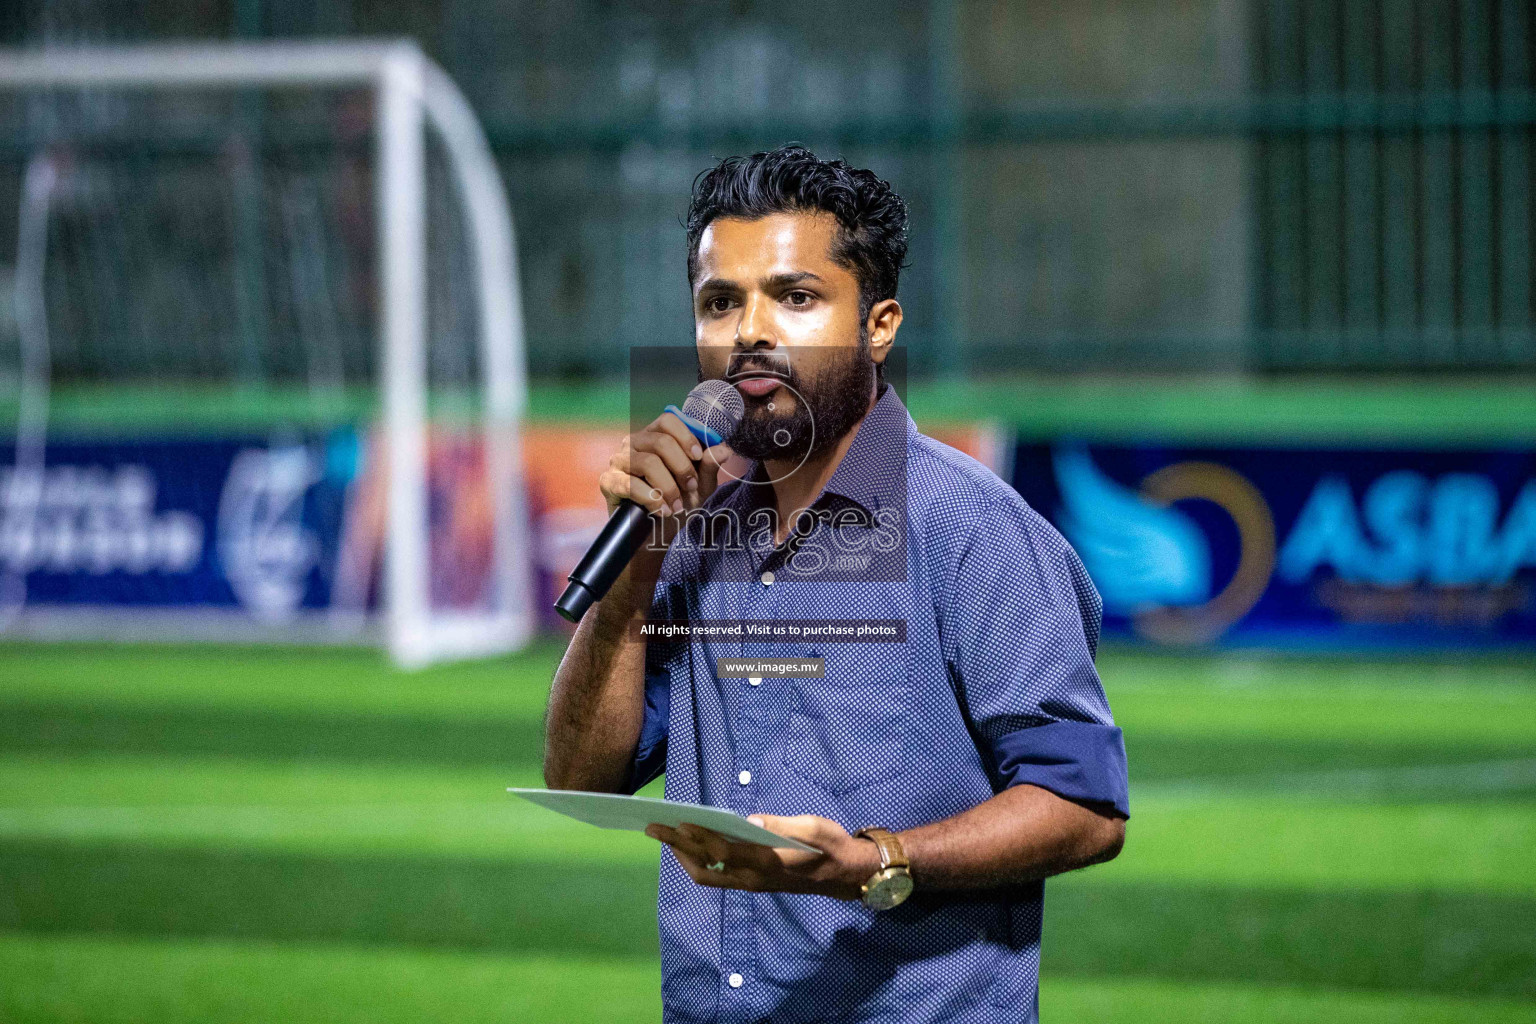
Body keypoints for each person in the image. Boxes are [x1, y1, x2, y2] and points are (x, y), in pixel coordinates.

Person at [543, 143, 1129, 1024]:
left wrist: (874, 861)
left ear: (880, 324)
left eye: (796, 296)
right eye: (720, 302)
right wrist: (636, 571)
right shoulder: (690, 538)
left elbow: (1084, 807)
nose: (750, 330)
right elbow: (583, 775)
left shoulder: (974, 529)